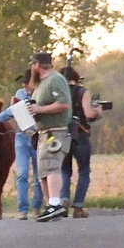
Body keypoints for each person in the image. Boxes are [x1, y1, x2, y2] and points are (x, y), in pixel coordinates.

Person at [0, 70, 42, 220]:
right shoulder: (20, 94)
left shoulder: (42, 94)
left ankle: (37, 208)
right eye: (23, 83)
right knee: (22, 173)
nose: (24, 85)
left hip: (39, 137)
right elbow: (12, 111)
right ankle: (22, 210)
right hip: (22, 137)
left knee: (39, 175)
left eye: (27, 82)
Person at [25, 52, 72, 221]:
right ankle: (50, 206)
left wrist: (39, 110)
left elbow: (64, 104)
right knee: (43, 170)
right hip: (43, 132)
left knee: (52, 166)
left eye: (33, 65)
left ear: (37, 65)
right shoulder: (41, 84)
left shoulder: (55, 79)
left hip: (56, 131)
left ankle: (55, 204)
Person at [58, 66, 104, 218]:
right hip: (80, 134)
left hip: (62, 134)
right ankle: (78, 207)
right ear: (76, 78)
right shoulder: (82, 91)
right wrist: (98, 111)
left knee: (64, 170)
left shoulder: (59, 92)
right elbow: (89, 114)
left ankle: (63, 202)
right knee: (84, 170)